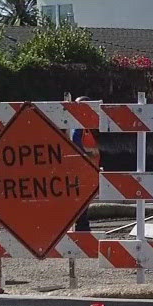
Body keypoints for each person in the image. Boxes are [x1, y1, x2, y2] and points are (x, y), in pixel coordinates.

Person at [70, 97, 102, 232]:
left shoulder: (85, 128)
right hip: (82, 171)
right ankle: (82, 230)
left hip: (88, 171)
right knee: (81, 203)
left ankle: (83, 229)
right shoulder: (78, 128)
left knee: (84, 203)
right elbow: (75, 144)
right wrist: (88, 156)